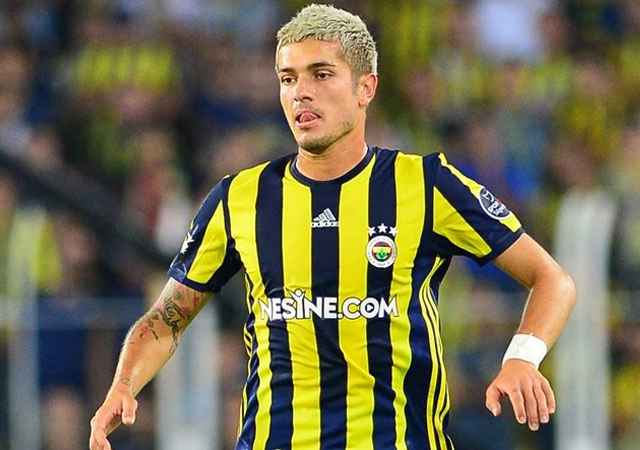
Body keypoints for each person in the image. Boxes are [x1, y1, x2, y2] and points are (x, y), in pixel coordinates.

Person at [89, 4, 576, 450]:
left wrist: (522, 357)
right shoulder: (239, 198)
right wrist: (123, 384)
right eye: (288, 78)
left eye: (321, 74)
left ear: (366, 88)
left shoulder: (425, 184)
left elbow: (552, 279)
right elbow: (166, 320)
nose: (301, 91)